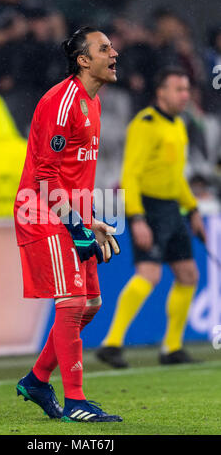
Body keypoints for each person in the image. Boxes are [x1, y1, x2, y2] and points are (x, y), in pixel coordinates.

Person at [13, 27, 122, 423]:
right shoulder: (63, 102)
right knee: (72, 302)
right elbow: (44, 177)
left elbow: (71, 176)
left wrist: (89, 221)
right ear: (83, 60)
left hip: (69, 214)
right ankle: (76, 401)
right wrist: (76, 225)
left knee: (90, 305)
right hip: (41, 211)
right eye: (105, 48)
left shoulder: (93, 103)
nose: (114, 53)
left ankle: (38, 379)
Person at [96, 67, 206, 368]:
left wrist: (193, 209)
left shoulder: (178, 125)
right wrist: (137, 218)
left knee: (188, 275)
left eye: (186, 89)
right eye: (178, 89)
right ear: (161, 92)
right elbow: (130, 173)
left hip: (172, 208)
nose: (185, 95)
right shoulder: (144, 124)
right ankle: (112, 343)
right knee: (150, 274)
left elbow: (176, 177)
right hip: (149, 209)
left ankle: (172, 348)